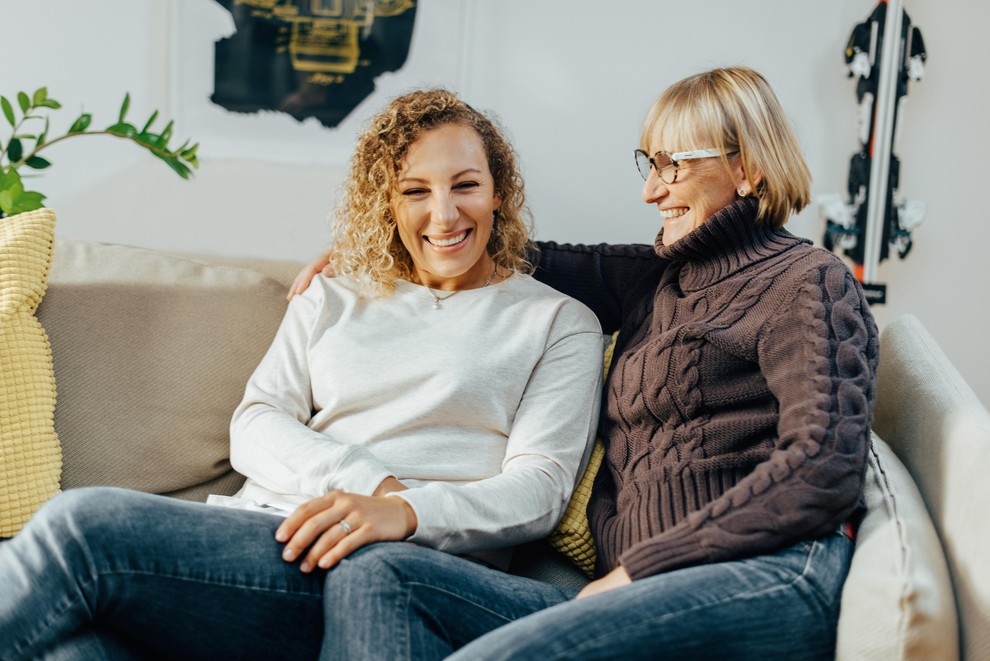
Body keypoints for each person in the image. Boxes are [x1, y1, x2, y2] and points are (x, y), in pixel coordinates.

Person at [293, 66, 879, 660]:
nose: (650, 191)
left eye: (672, 165)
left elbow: (823, 467)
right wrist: (374, 245)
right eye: (648, 165)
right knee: (382, 574)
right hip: (632, 587)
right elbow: (495, 250)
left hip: (758, 575)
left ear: (746, 167)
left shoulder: (809, 283)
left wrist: (642, 569)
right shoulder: (654, 276)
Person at [0, 89, 604, 660]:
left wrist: (408, 513)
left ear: (498, 191)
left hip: (399, 567)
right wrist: (373, 487)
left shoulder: (555, 322)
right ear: (387, 203)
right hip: (266, 533)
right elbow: (256, 422)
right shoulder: (333, 296)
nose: (443, 214)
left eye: (465, 185)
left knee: (78, 527)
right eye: (415, 191)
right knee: (74, 647)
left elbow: (540, 489)